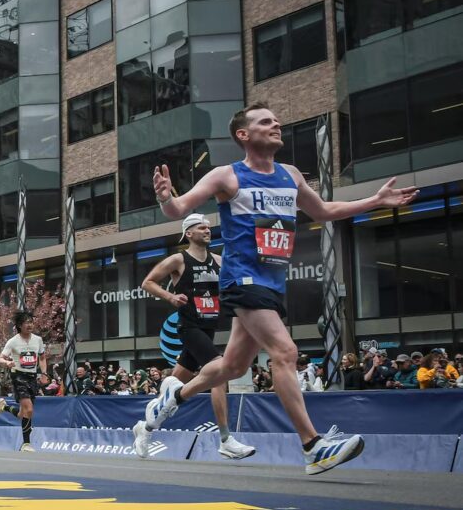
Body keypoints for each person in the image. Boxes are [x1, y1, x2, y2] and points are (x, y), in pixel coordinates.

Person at [135, 103, 417, 475]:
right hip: (241, 280)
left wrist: (375, 201)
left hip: (272, 283)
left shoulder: (291, 175)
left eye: (276, 120)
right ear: (243, 135)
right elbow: (179, 208)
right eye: (265, 121)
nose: (276, 124)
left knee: (233, 367)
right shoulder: (227, 176)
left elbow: (324, 211)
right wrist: (165, 197)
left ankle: (171, 399)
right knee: (285, 351)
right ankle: (313, 447)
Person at [136, 213, 256, 460]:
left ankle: (145, 429)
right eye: (201, 227)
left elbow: (237, 285)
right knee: (218, 373)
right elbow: (147, 283)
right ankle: (225, 440)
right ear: (188, 233)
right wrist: (170, 297)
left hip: (209, 327)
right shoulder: (179, 260)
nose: (207, 230)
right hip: (189, 328)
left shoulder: (219, 261)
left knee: (171, 397)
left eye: (209, 227)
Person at [0, 311, 46, 452]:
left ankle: (4, 407)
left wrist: (44, 373)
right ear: (19, 325)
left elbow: (42, 357)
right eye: (26, 322)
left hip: (32, 377)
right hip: (18, 376)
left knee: (23, 414)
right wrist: (6, 363)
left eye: (31, 322)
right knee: (29, 409)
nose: (30, 325)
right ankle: (26, 444)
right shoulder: (13, 341)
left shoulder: (38, 340)